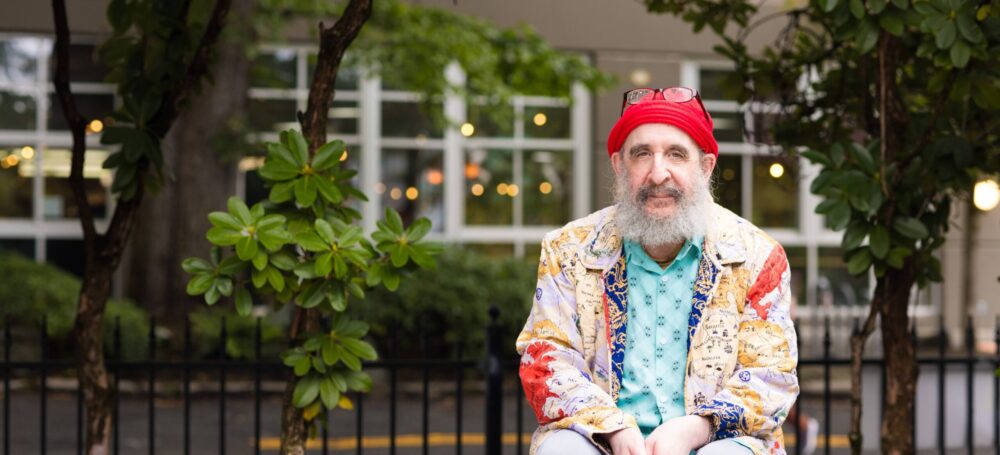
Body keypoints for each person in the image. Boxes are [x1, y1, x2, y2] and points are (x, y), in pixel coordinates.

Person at [515, 87, 799, 455]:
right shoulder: (568, 250)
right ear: (619, 165)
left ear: (705, 166)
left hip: (715, 440)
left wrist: (696, 429)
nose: (658, 173)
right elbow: (546, 358)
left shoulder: (758, 256)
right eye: (642, 154)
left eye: (676, 154)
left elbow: (771, 376)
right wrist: (611, 429)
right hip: (603, 441)